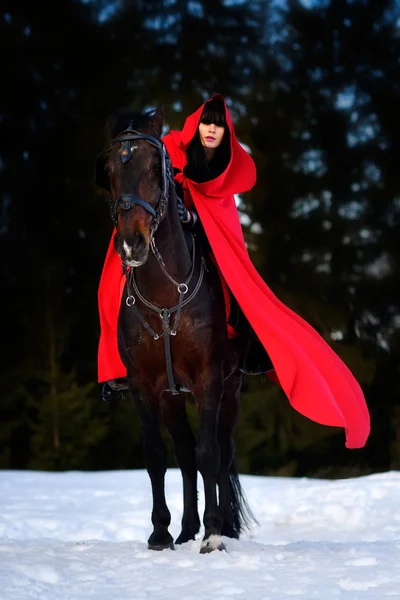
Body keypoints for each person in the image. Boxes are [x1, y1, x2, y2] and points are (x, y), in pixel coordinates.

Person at [97, 94, 370, 449]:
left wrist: (193, 217)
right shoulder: (170, 149)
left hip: (205, 239)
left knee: (234, 284)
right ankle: (118, 368)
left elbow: (217, 213)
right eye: (207, 123)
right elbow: (144, 173)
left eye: (219, 125)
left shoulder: (221, 166)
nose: (211, 130)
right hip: (158, 232)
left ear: (226, 132)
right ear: (197, 125)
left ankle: (246, 346)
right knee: (115, 284)